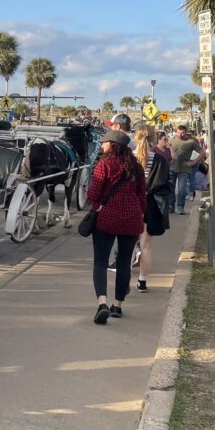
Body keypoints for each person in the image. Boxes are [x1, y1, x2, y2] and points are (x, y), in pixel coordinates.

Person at [86, 129, 147, 324]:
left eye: (105, 142)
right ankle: (117, 306)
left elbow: (93, 194)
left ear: (112, 145)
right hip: (132, 220)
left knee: (100, 262)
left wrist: (95, 205)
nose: (102, 145)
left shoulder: (104, 165)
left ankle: (102, 303)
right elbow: (142, 196)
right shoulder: (136, 167)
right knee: (123, 263)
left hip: (107, 218)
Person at [134, 125, 171, 292]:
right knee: (146, 245)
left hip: (130, 203)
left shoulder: (129, 158)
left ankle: (123, 277)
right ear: (153, 139)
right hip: (150, 204)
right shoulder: (159, 159)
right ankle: (142, 281)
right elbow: (165, 184)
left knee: (125, 243)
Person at [168, 125, 204, 215]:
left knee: (182, 189)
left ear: (185, 132)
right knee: (170, 189)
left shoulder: (191, 142)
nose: (180, 134)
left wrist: (193, 162)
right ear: (176, 132)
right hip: (172, 168)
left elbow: (202, 152)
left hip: (184, 169)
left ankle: (180, 207)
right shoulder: (171, 140)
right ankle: (171, 206)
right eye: (178, 132)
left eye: (182, 132)